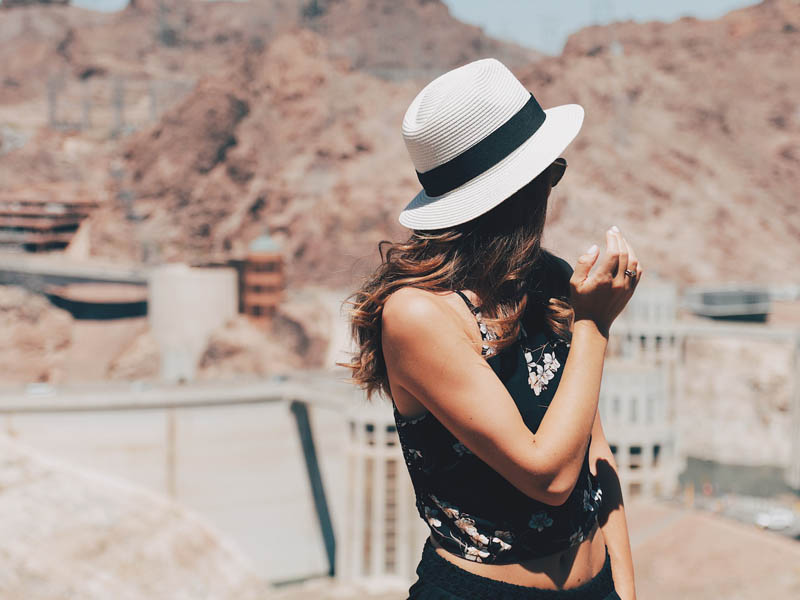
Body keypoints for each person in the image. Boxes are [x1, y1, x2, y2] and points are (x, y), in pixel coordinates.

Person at [341, 58, 640, 599]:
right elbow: (547, 478)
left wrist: (625, 590)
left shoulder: (545, 278)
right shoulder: (417, 314)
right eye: (551, 172)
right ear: (520, 191)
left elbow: (593, 456)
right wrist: (595, 324)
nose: (555, 184)